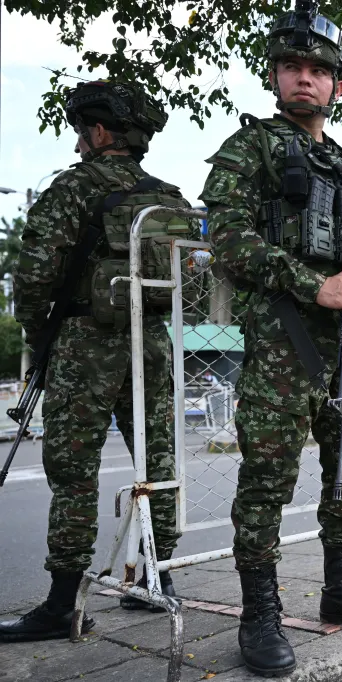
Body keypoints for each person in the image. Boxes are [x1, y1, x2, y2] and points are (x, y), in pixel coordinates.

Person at [200, 5, 342, 676]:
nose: (304, 80)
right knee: (267, 480)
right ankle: (260, 613)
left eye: (319, 71)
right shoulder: (250, 148)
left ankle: (341, 588)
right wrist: (311, 285)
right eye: (292, 67)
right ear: (275, 77)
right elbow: (228, 243)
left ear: (339, 86)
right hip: (285, 344)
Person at [1, 81, 187, 642]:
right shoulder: (168, 199)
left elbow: (33, 275)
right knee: (159, 460)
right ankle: (157, 579)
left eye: (84, 131)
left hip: (85, 342)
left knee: (73, 471)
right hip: (152, 340)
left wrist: (42, 332)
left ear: (100, 132)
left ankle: (62, 605)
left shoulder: (71, 189)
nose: (80, 142)